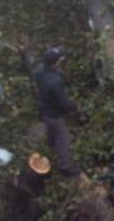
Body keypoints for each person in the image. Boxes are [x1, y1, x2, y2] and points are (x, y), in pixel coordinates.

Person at [35, 46, 81, 176]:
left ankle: (50, 144)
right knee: (64, 138)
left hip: (43, 109)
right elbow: (63, 103)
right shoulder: (55, 82)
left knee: (52, 131)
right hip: (53, 114)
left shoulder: (39, 71)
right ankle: (65, 166)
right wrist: (74, 106)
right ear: (57, 62)